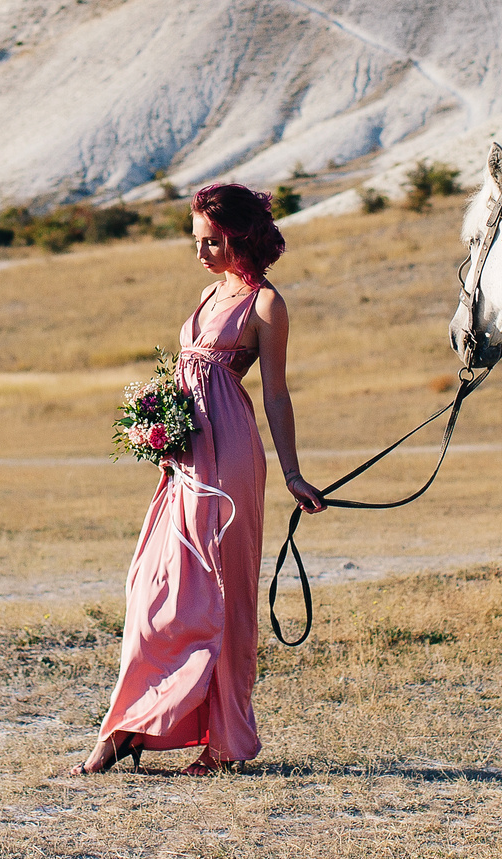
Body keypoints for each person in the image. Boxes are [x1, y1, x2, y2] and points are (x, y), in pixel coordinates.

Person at [71, 182, 326, 777]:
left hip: (231, 456)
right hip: (185, 459)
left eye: (212, 242)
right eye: (196, 242)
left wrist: (293, 474)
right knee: (149, 590)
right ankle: (131, 725)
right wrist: (157, 425)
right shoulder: (208, 294)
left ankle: (224, 742)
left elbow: (277, 395)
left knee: (224, 596)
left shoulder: (266, 306)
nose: (201, 253)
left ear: (239, 236)